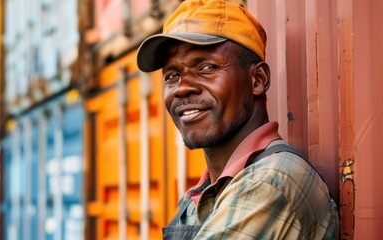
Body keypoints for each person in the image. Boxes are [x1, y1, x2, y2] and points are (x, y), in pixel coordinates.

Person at [136, 0, 340, 239]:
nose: (182, 88)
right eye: (172, 75)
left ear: (258, 80)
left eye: (207, 67)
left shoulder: (269, 183)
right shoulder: (201, 196)